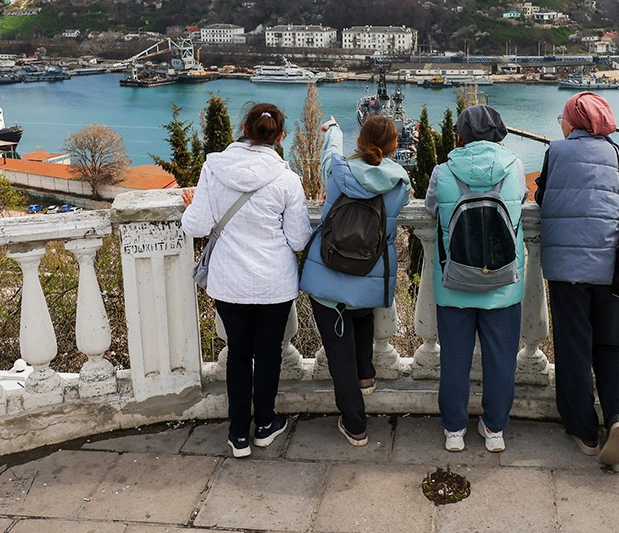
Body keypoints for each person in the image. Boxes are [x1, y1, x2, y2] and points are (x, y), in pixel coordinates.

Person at [181, 102, 311, 458]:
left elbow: (196, 226)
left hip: (230, 282)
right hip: (274, 282)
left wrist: (193, 204)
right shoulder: (287, 179)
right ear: (281, 137)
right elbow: (299, 240)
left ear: (244, 127)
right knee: (268, 354)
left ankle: (238, 433)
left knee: (238, 353)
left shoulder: (214, 168)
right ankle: (266, 424)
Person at [534, 91, 619, 466]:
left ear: (575, 122)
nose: (561, 125)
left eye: (563, 118)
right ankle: (615, 416)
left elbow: (542, 196)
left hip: (568, 269)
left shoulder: (556, 151)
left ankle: (584, 431)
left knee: (574, 347)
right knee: (610, 346)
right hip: (612, 267)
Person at [300, 114, 410, 446]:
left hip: (329, 272)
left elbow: (327, 155)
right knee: (361, 312)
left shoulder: (338, 172)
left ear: (359, 141)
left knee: (339, 352)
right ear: (393, 147)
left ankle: (355, 423)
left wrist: (334, 129)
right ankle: (366, 376)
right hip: (369, 271)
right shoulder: (400, 182)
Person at [426, 104, 526, 453]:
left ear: (461, 134)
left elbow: (430, 208)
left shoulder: (443, 170)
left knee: (455, 357)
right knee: (501, 358)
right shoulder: (515, 165)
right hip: (503, 282)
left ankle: (454, 430)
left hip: (453, 281)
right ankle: (494, 429)